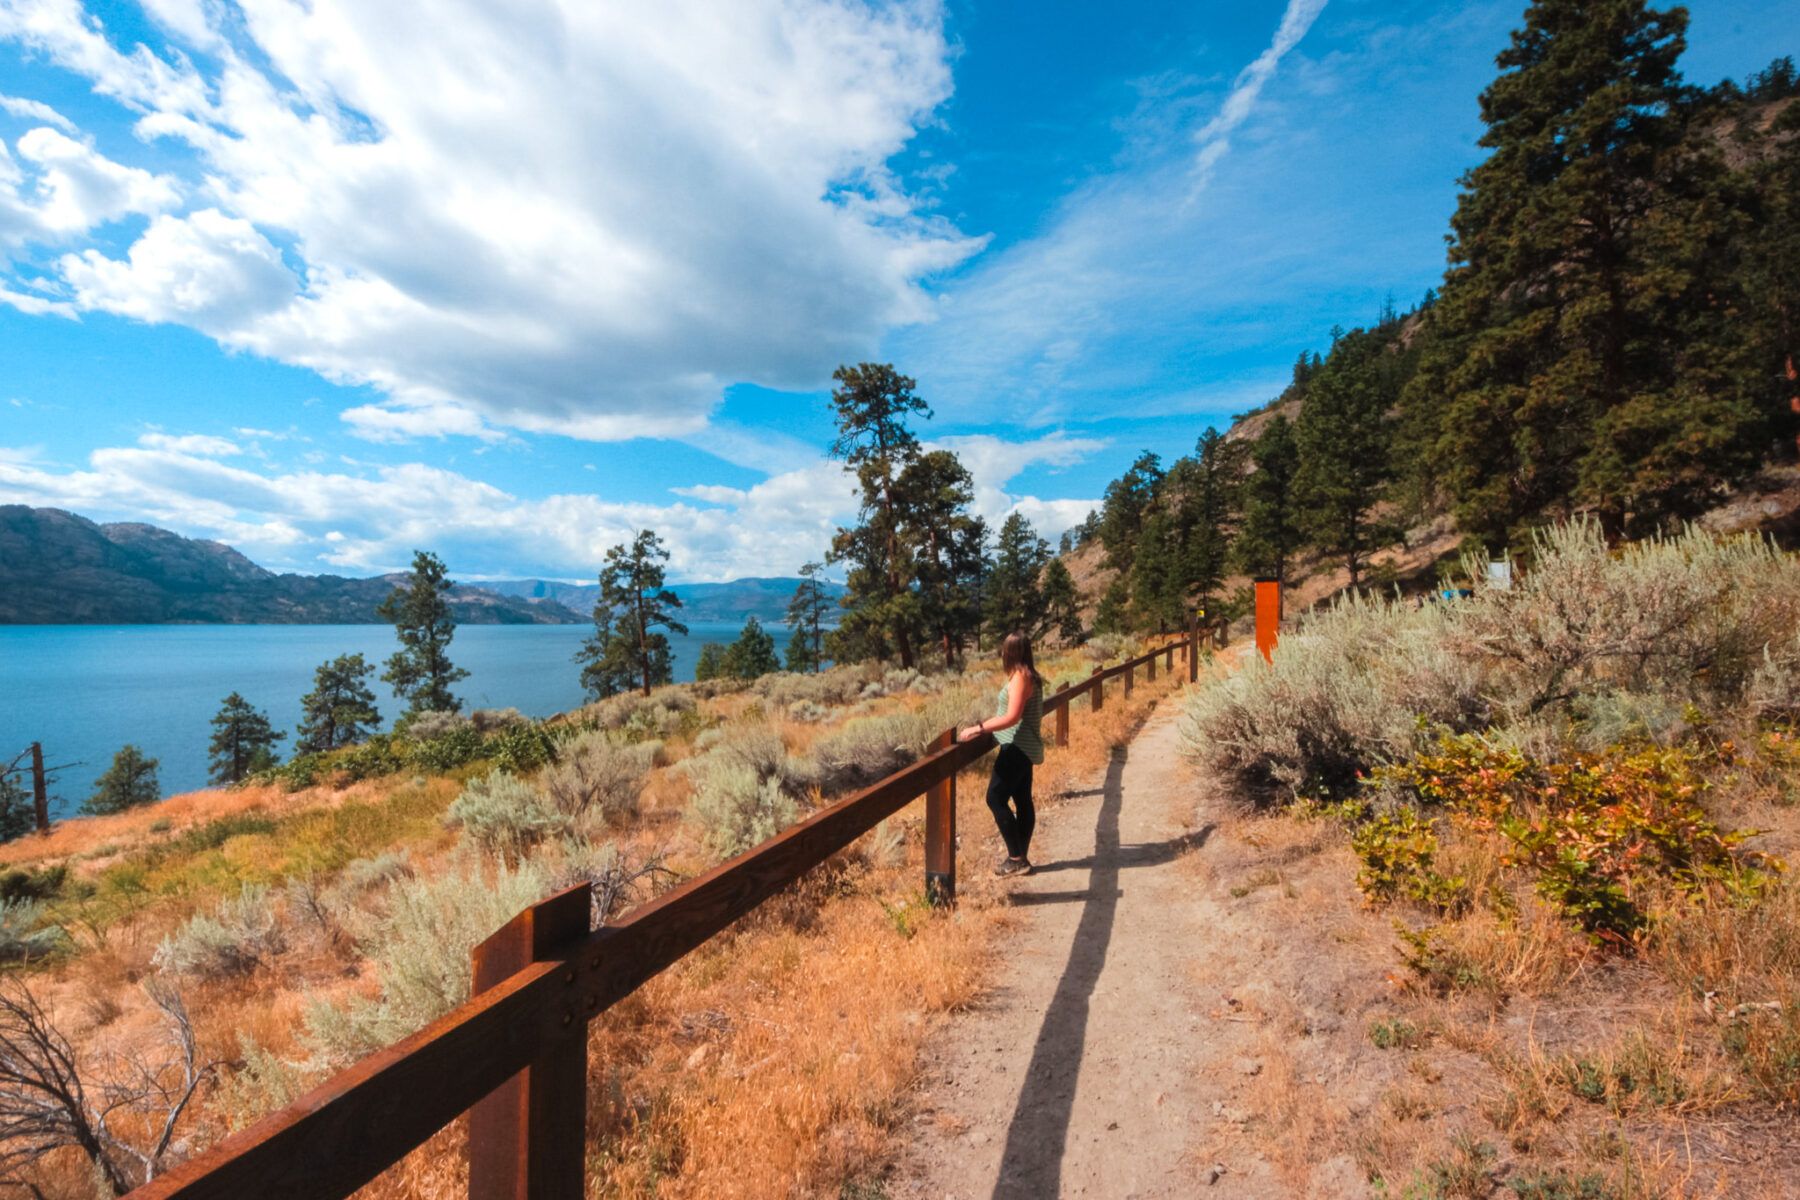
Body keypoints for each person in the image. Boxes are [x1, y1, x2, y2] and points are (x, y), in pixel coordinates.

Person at [959, 630, 1045, 877]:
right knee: (1022, 800)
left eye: (1004, 649)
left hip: (1016, 747)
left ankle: (1016, 858)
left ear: (1010, 652)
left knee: (995, 798)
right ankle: (1021, 856)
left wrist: (979, 728)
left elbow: (1012, 716)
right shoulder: (1031, 675)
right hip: (1025, 747)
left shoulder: (1020, 677)